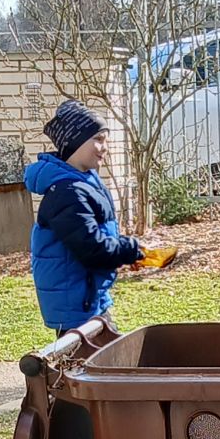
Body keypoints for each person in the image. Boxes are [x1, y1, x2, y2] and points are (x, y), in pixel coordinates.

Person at [23, 100, 146, 335]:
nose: (104, 147)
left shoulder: (83, 181)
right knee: (90, 357)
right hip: (77, 305)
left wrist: (125, 251)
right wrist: (130, 249)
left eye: (105, 140)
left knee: (110, 353)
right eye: (98, 139)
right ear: (75, 142)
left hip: (90, 298)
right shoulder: (68, 191)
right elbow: (91, 248)